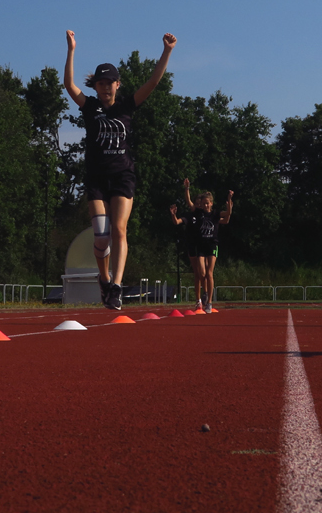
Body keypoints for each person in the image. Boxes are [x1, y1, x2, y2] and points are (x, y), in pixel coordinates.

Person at [64, 29, 176, 310]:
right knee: (101, 236)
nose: (105, 88)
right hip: (97, 178)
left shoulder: (127, 106)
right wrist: (71, 50)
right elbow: (68, 85)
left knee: (119, 229)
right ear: (96, 86)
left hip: (123, 176)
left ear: (117, 84)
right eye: (100, 83)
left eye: (109, 83)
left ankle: (116, 285)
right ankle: (103, 279)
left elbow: (153, 81)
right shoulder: (90, 107)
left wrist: (166, 52)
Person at [171, 178, 232, 312]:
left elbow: (227, 215)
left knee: (209, 273)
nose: (205, 205)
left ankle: (209, 302)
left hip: (212, 245)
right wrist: (187, 188)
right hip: (200, 246)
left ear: (211, 203)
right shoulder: (198, 213)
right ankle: (203, 295)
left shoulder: (215, 214)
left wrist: (229, 202)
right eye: (203, 203)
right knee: (201, 273)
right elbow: (189, 202)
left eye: (207, 203)